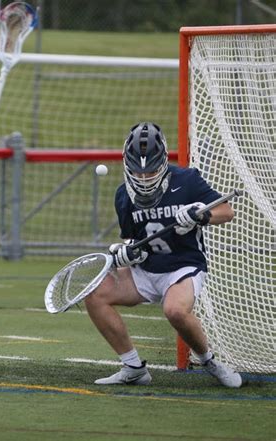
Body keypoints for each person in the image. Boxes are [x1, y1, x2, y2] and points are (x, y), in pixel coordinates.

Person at [84, 122, 242, 388]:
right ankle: (133, 367)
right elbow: (132, 238)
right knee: (95, 295)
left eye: (152, 171)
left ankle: (210, 361)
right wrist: (125, 252)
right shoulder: (123, 195)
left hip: (182, 266)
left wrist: (200, 215)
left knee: (174, 311)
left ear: (164, 163)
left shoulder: (187, 180)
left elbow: (226, 211)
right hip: (146, 269)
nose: (145, 178)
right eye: (138, 171)